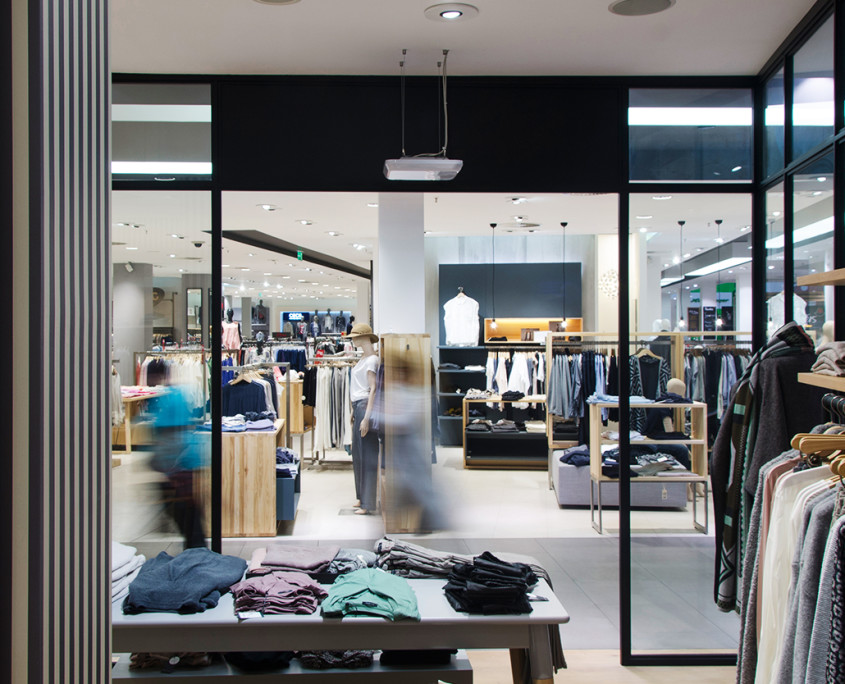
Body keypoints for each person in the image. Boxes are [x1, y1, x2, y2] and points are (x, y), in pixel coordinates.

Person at [149, 383, 207, 548]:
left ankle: (196, 550)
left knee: (188, 516)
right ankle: (196, 549)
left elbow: (169, 437)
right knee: (190, 518)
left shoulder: (170, 400)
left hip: (178, 469)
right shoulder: (175, 397)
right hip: (180, 467)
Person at [347, 323, 379, 515]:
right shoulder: (363, 359)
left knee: (367, 455)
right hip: (358, 406)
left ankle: (368, 503)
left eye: (355, 337)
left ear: (364, 337)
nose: (352, 340)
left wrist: (367, 417)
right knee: (358, 455)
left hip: (365, 406)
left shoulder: (372, 360)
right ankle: (361, 497)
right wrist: (354, 411)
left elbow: (373, 389)